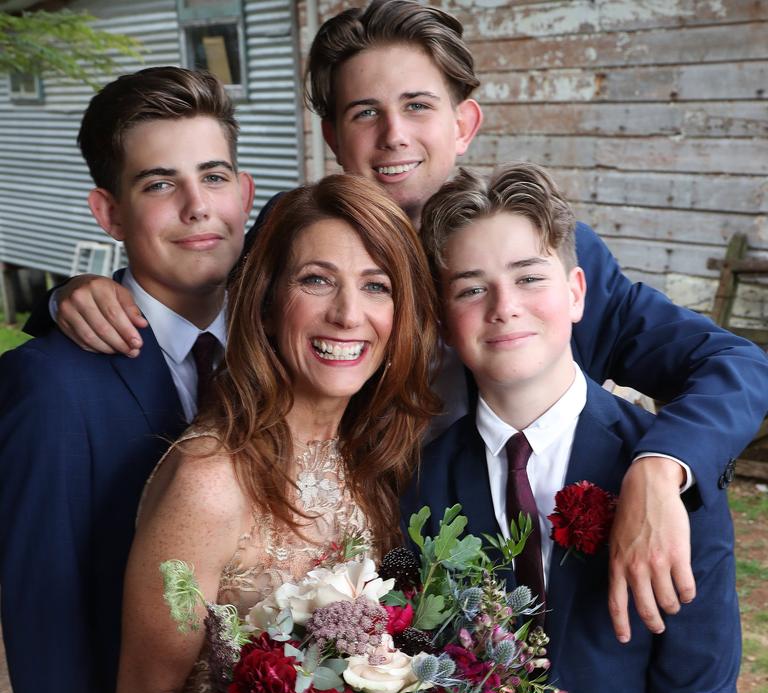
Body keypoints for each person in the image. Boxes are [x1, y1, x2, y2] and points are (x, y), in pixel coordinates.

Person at [30, 0, 768, 653]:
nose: (393, 137)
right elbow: (189, 275)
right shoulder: (296, 238)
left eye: (417, 105)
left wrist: (659, 465)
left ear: (463, 123)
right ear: (331, 134)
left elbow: (732, 363)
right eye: (364, 113)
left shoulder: (534, 261)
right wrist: (73, 296)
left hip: (513, 586)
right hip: (321, 578)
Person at [404, 162, 741, 693]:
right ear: (445, 318)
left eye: (528, 278)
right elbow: (414, 691)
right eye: (470, 288)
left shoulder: (665, 478)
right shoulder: (415, 488)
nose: (504, 307)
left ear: (577, 290)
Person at [115, 173, 439, 693]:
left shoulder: (370, 467)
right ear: (265, 302)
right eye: (315, 279)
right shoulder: (209, 482)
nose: (347, 314)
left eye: (377, 287)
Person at [0, 66, 255, 693]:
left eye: (213, 175)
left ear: (244, 188)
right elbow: (45, 628)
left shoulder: (288, 337)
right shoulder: (50, 388)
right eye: (159, 183)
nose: (196, 206)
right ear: (107, 213)